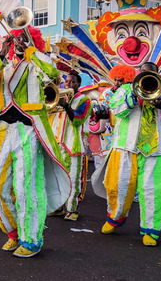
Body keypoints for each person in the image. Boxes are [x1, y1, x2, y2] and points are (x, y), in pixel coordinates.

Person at [0, 29, 69, 257]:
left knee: (26, 188)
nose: (18, 44)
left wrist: (31, 50)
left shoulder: (36, 63)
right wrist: (0, 56)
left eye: (23, 39)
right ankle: (13, 232)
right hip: (2, 131)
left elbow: (53, 72)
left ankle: (31, 239)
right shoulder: (3, 65)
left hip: (29, 132)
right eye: (16, 40)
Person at [101, 62, 161, 246]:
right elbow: (115, 110)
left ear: (158, 75)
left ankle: (151, 232)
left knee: (155, 192)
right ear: (138, 74)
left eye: (151, 74)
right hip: (125, 148)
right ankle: (116, 217)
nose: (146, 77)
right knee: (117, 186)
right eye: (143, 73)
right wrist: (135, 98)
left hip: (156, 152)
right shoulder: (124, 90)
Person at [49, 73, 91, 221]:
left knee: (73, 179)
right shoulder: (56, 98)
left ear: (78, 84)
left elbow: (78, 120)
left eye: (72, 82)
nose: (68, 84)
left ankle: (72, 210)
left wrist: (66, 106)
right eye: (66, 81)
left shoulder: (84, 100)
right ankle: (58, 207)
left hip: (73, 147)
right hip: (57, 145)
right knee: (56, 179)